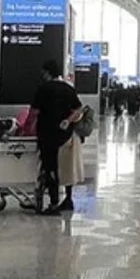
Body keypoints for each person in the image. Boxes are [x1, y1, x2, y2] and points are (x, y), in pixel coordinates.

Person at [30, 60, 82, 214]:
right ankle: (68, 199)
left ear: (47, 72)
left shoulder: (43, 89)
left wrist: (28, 127)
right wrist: (68, 120)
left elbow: (34, 112)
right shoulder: (68, 89)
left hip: (48, 135)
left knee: (50, 168)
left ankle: (53, 204)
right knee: (67, 167)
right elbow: (78, 109)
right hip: (66, 135)